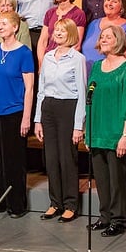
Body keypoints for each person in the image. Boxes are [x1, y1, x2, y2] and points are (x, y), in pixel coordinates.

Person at [86, 25, 126, 237]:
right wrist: (88, 132)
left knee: (117, 180)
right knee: (102, 179)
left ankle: (118, 220)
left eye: (109, 36)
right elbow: (91, 100)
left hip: (117, 133)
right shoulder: (97, 67)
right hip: (97, 130)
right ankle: (105, 216)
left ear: (118, 40)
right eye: (102, 36)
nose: (104, 39)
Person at [34, 18, 86, 223]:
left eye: (63, 30)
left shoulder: (77, 58)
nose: (58, 33)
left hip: (68, 107)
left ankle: (71, 204)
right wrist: (38, 119)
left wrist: (77, 125)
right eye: (56, 30)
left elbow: (81, 92)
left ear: (71, 33)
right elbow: (41, 89)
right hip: (49, 108)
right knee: (51, 159)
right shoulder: (47, 57)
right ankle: (55, 202)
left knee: (67, 158)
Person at [0, 11, 34, 218]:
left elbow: (29, 88)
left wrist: (26, 118)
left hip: (14, 112)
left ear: (15, 27)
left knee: (14, 160)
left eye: (4, 23)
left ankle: (17, 205)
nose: (0, 26)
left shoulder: (24, 53)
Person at [81, 0, 126, 73]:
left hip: (112, 80)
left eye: (114, 1)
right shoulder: (93, 24)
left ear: (122, 8)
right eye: (107, 0)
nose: (109, 3)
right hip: (89, 79)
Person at [36, 0, 86, 68]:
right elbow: (42, 41)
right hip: (48, 61)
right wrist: (42, 62)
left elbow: (77, 44)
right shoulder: (50, 13)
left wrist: (61, 64)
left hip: (66, 64)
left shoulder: (78, 14)